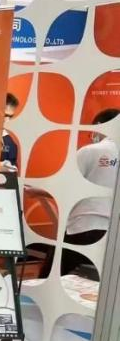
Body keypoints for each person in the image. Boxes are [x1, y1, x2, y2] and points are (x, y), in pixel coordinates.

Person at [61, 108, 119, 275]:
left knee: (68, 275)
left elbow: (66, 186)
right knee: (99, 278)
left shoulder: (90, 151)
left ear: (100, 126)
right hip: (113, 230)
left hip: (84, 226)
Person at [0, 92, 20, 172]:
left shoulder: (9, 142)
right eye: (5, 115)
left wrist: (1, 167)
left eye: (10, 116)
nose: (7, 120)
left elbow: (13, 169)